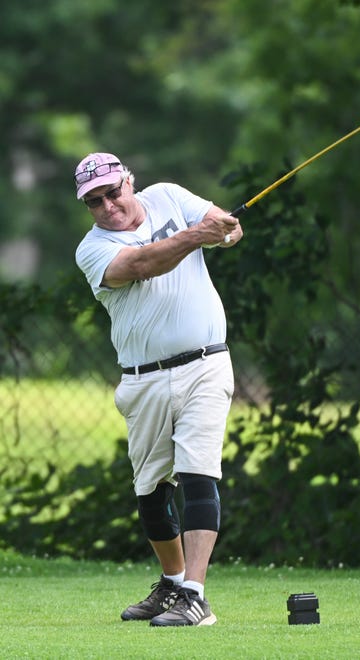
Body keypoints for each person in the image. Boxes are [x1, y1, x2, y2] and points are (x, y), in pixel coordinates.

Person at [74, 152, 243, 627]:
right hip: (142, 378)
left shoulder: (168, 195)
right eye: (95, 201)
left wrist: (225, 231)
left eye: (113, 192)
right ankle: (172, 582)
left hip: (206, 364)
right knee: (150, 491)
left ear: (129, 181)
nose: (108, 205)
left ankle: (196, 595)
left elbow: (225, 228)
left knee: (197, 474)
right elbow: (145, 263)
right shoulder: (92, 250)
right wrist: (195, 235)